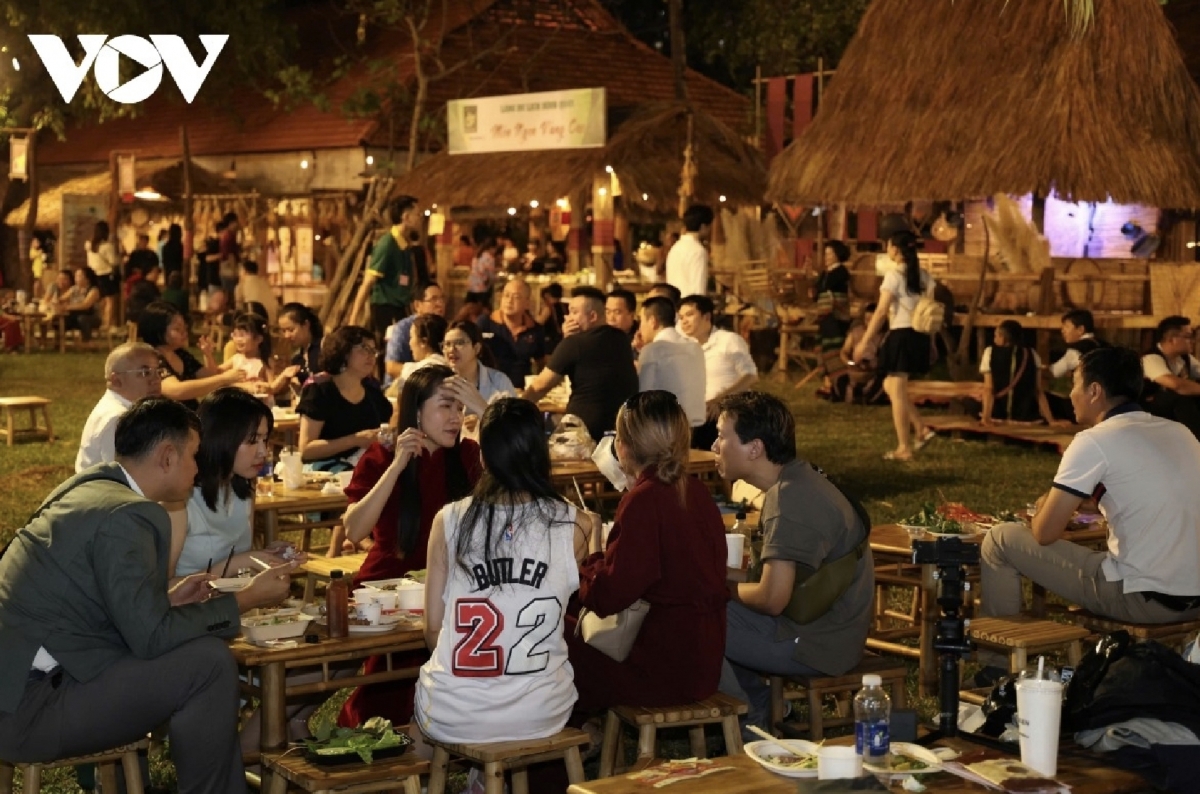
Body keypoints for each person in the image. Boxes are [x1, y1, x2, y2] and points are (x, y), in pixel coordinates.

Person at [0, 397, 292, 794]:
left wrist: (166, 600)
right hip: (31, 710)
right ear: (167, 456)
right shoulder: (131, 514)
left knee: (197, 657)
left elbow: (93, 601)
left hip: (25, 687)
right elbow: (150, 637)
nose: (198, 467)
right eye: (193, 455)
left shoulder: (90, 489)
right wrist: (244, 600)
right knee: (208, 663)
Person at [978, 347, 1200, 676]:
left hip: (1144, 600)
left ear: (1095, 391)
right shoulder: (1179, 431)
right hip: (1194, 598)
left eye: (1075, 384)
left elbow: (1044, 533)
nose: (1070, 394)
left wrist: (1044, 507)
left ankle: (995, 670)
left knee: (1000, 540)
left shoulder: (1094, 441)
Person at [415, 398, 585, 743]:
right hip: (542, 710)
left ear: (482, 455)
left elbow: (433, 631)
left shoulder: (447, 520)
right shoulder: (577, 524)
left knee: (424, 718)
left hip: (453, 712)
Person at [712, 391, 874, 734]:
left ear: (754, 448)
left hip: (818, 645)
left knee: (689, 615)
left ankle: (750, 719)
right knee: (698, 599)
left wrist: (720, 586)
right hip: (823, 629)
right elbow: (773, 578)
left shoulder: (790, 499)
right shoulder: (798, 480)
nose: (714, 446)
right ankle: (762, 705)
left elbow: (772, 598)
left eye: (722, 436)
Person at [566, 391, 728, 711]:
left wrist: (588, 561)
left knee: (552, 632)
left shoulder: (644, 499)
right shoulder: (694, 490)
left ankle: (572, 737)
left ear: (622, 447)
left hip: (661, 668)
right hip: (703, 659)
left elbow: (610, 596)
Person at [339, 365, 482, 726]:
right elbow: (354, 530)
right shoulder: (383, 455)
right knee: (368, 687)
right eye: (445, 407)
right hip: (386, 590)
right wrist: (398, 465)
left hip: (449, 591)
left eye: (460, 409)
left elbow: (525, 480)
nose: (455, 418)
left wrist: (485, 411)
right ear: (416, 411)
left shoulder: (468, 456)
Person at [168, 388, 301, 580]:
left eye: (265, 439)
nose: (263, 451)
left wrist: (267, 556)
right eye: (252, 440)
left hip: (234, 603)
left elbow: (237, 556)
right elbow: (164, 590)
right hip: (192, 608)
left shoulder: (243, 489)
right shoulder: (179, 500)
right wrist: (243, 561)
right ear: (221, 438)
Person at [853, 230, 936, 461]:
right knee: (890, 386)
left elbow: (880, 312)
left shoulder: (893, 276)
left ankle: (904, 448)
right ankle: (921, 429)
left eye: (888, 245)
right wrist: (932, 343)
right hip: (919, 336)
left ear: (896, 250)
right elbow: (930, 311)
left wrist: (864, 341)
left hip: (901, 335)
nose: (887, 249)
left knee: (897, 391)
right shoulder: (925, 276)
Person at [521, 286, 638, 441]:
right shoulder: (622, 339)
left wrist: (516, 409)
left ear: (593, 316)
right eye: (568, 312)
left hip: (583, 431)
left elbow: (541, 386)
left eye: (575, 312)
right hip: (623, 428)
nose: (568, 318)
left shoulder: (575, 343)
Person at [297, 326, 394, 472]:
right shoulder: (320, 391)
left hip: (368, 469)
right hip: (327, 475)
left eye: (373, 351)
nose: (371, 356)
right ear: (343, 352)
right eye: (363, 349)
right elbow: (306, 450)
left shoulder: (373, 393)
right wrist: (355, 440)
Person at [678, 294, 758, 450]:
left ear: (706, 316)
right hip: (699, 415)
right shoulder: (687, 347)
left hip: (728, 411)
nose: (684, 321)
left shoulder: (728, 340)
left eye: (689, 315)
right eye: (681, 317)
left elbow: (750, 376)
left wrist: (719, 400)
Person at [140, 300, 246, 410]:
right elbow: (176, 391)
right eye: (177, 329)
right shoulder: (152, 358)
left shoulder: (180, 354)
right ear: (158, 331)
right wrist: (224, 379)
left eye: (184, 328)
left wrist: (208, 355)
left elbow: (210, 377)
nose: (184, 332)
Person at [76, 343, 163, 472]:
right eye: (145, 372)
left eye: (158, 372)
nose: (156, 380)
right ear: (116, 380)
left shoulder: (128, 410)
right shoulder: (117, 419)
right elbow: (122, 479)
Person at [351, 196, 424, 344]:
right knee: (388, 350)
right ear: (406, 217)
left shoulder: (404, 244)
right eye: (418, 214)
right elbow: (368, 282)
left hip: (400, 307)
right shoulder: (387, 244)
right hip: (385, 309)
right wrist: (353, 320)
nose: (420, 218)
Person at [636, 296, 706, 428]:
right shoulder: (695, 347)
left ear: (652, 321)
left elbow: (643, 396)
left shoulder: (652, 350)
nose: (640, 329)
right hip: (698, 425)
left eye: (641, 321)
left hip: (665, 428)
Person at [980, 319, 1056, 425]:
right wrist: (1051, 420)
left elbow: (989, 389)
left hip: (997, 415)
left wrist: (986, 418)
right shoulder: (1032, 354)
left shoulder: (990, 352)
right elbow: (1038, 390)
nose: (995, 339)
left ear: (1003, 338)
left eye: (996, 335)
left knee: (967, 400)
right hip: (1026, 417)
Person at [477, 278, 546, 387]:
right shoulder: (485, 323)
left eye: (516, 297)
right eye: (506, 295)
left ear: (527, 303)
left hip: (520, 390)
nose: (509, 301)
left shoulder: (534, 329)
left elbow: (541, 363)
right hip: (489, 388)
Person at [1140, 315, 1200, 440]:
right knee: (1180, 398)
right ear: (1172, 339)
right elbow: (1176, 385)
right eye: (1188, 337)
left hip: (1173, 413)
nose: (1193, 341)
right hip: (1150, 411)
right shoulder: (1151, 358)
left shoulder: (1184, 359)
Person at [442, 320, 515, 420]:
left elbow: (512, 427)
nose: (451, 350)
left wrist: (482, 412)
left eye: (459, 343)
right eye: (447, 344)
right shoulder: (439, 382)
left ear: (476, 348)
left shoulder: (499, 382)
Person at [1045, 309, 1106, 421]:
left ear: (1080, 330)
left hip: (1087, 405)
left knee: (1043, 397)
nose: (1062, 331)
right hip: (1106, 403)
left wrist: (1039, 368)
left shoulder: (1076, 350)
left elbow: (1054, 372)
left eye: (1066, 327)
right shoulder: (1106, 345)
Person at [222, 312, 298, 401]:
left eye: (242, 335)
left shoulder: (265, 361)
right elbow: (216, 373)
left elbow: (272, 387)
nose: (238, 340)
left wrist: (284, 375)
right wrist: (208, 355)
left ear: (258, 339)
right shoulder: (236, 359)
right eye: (235, 335)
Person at [385, 283, 447, 385]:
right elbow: (391, 367)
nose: (439, 304)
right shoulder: (402, 329)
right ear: (417, 305)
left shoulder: (444, 326)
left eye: (442, 299)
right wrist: (428, 374)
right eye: (433, 299)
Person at [815, 240, 853, 386]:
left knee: (835, 344)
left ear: (838, 255)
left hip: (836, 315)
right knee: (825, 345)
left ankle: (840, 377)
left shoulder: (841, 272)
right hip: (825, 314)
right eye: (826, 254)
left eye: (830, 254)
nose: (827, 257)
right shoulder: (825, 273)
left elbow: (828, 287)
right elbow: (819, 290)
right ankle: (828, 378)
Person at [666, 205, 713, 299]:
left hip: (675, 303)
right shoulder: (698, 251)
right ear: (703, 227)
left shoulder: (676, 247)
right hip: (689, 306)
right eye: (710, 226)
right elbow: (698, 289)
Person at [279, 302, 325, 386]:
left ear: (306, 325)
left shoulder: (324, 348)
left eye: (291, 330)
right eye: (283, 331)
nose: (286, 336)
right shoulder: (297, 359)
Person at [86, 220, 119, 329]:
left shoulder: (88, 245)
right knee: (110, 300)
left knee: (100, 299)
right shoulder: (107, 246)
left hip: (93, 274)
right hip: (106, 274)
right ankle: (107, 324)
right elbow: (113, 261)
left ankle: (100, 321)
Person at [234, 260, 279, 324]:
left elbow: (239, 310)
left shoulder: (241, 285)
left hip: (255, 322)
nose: (239, 274)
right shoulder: (264, 282)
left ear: (244, 271)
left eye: (240, 271)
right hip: (273, 322)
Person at [64, 266, 102, 342]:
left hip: (91, 316)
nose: (76, 278)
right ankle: (60, 343)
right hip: (76, 315)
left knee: (82, 319)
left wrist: (67, 307)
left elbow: (85, 305)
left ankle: (87, 341)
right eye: (76, 276)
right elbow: (62, 299)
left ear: (87, 278)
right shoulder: (74, 289)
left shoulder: (93, 290)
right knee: (61, 319)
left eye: (79, 276)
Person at [466, 236, 498, 306]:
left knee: (469, 308)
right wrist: (495, 278)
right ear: (492, 248)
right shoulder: (489, 258)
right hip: (482, 288)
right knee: (483, 309)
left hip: (472, 285)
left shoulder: (477, 255)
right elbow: (491, 275)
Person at [537, 282, 568, 354]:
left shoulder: (549, 308)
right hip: (559, 341)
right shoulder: (563, 306)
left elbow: (538, 324)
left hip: (552, 342)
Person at [217, 212, 242, 297]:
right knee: (230, 297)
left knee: (229, 296)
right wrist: (234, 271)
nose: (237, 224)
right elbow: (230, 255)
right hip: (228, 271)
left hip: (226, 270)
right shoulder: (228, 236)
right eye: (236, 222)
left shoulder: (228, 235)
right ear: (231, 223)